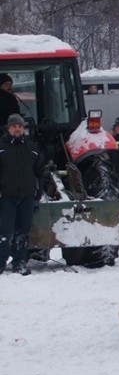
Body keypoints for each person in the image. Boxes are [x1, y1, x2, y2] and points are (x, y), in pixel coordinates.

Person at [0, 114, 44, 275]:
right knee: (5, 232)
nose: (17, 129)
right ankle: (1, 262)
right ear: (8, 128)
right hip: (6, 198)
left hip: (27, 198)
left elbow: (40, 172)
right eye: (14, 126)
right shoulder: (1, 147)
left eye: (20, 126)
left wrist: (38, 192)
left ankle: (19, 263)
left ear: (23, 129)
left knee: (22, 232)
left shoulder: (32, 148)